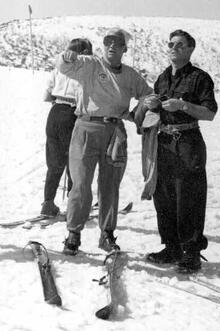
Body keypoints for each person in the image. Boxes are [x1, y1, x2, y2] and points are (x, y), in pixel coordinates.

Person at [56, 28, 153, 255]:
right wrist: (66, 56)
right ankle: (73, 233)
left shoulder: (130, 75)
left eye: (117, 43)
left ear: (124, 48)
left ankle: (107, 234)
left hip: (114, 134)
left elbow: (148, 94)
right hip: (86, 129)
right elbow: (65, 66)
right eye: (108, 41)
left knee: (110, 186)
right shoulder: (91, 64)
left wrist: (141, 110)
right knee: (80, 184)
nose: (111, 46)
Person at [136, 30, 218, 273]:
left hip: (188, 141)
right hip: (163, 141)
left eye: (180, 45)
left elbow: (210, 113)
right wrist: (152, 106)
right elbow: (154, 112)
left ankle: (191, 253)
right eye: (171, 44)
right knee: (164, 196)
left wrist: (183, 105)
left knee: (189, 197)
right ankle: (171, 248)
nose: (174, 48)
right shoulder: (162, 78)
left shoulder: (200, 78)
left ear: (191, 49)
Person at [40, 38, 93, 217]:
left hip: (54, 113)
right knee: (75, 163)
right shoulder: (83, 70)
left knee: (54, 163)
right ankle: (74, 206)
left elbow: (47, 95)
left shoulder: (59, 68)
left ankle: (48, 203)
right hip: (72, 114)